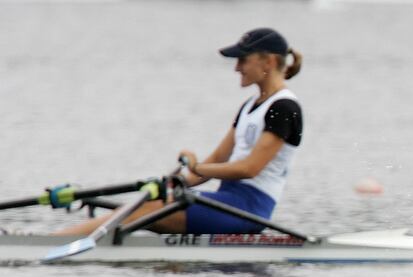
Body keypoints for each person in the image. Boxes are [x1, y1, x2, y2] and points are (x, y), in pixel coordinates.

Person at [56, 28, 303, 236]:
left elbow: (250, 168)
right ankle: (63, 240)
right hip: (227, 201)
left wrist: (196, 169)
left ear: (268, 62)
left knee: (147, 209)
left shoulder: (284, 108)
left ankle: (53, 241)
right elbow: (217, 160)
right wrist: (179, 182)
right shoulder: (250, 106)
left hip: (249, 209)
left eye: (243, 60)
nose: (236, 68)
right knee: (146, 203)